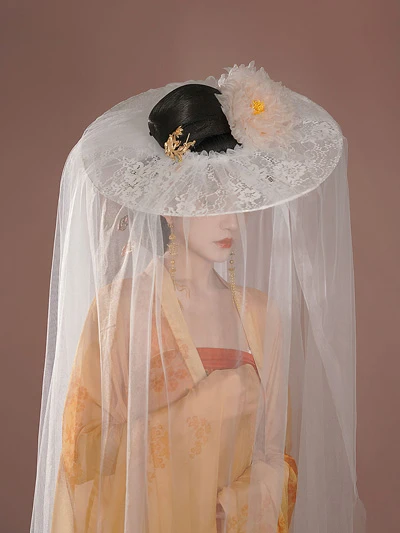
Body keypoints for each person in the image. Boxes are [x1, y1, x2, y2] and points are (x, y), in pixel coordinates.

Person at [31, 60, 366, 533]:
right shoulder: (119, 309)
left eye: (237, 202)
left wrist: (234, 506)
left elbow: (276, 458)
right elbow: (81, 453)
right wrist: (208, 403)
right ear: (169, 208)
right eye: (211, 202)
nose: (231, 222)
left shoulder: (261, 315)